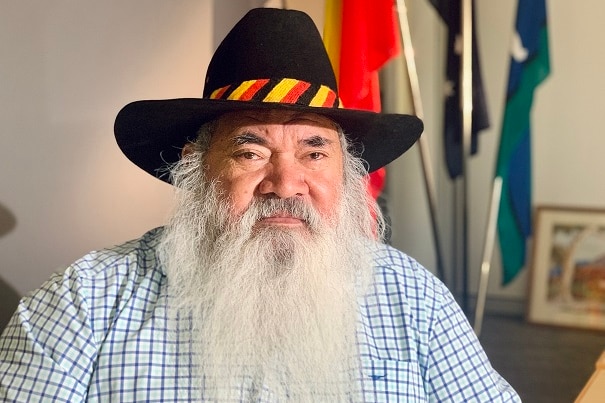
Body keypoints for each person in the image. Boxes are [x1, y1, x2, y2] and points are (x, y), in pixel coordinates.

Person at [0, 8, 520, 402]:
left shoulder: (412, 296)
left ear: (348, 171)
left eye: (314, 151)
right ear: (195, 167)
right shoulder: (86, 301)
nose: (285, 183)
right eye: (250, 152)